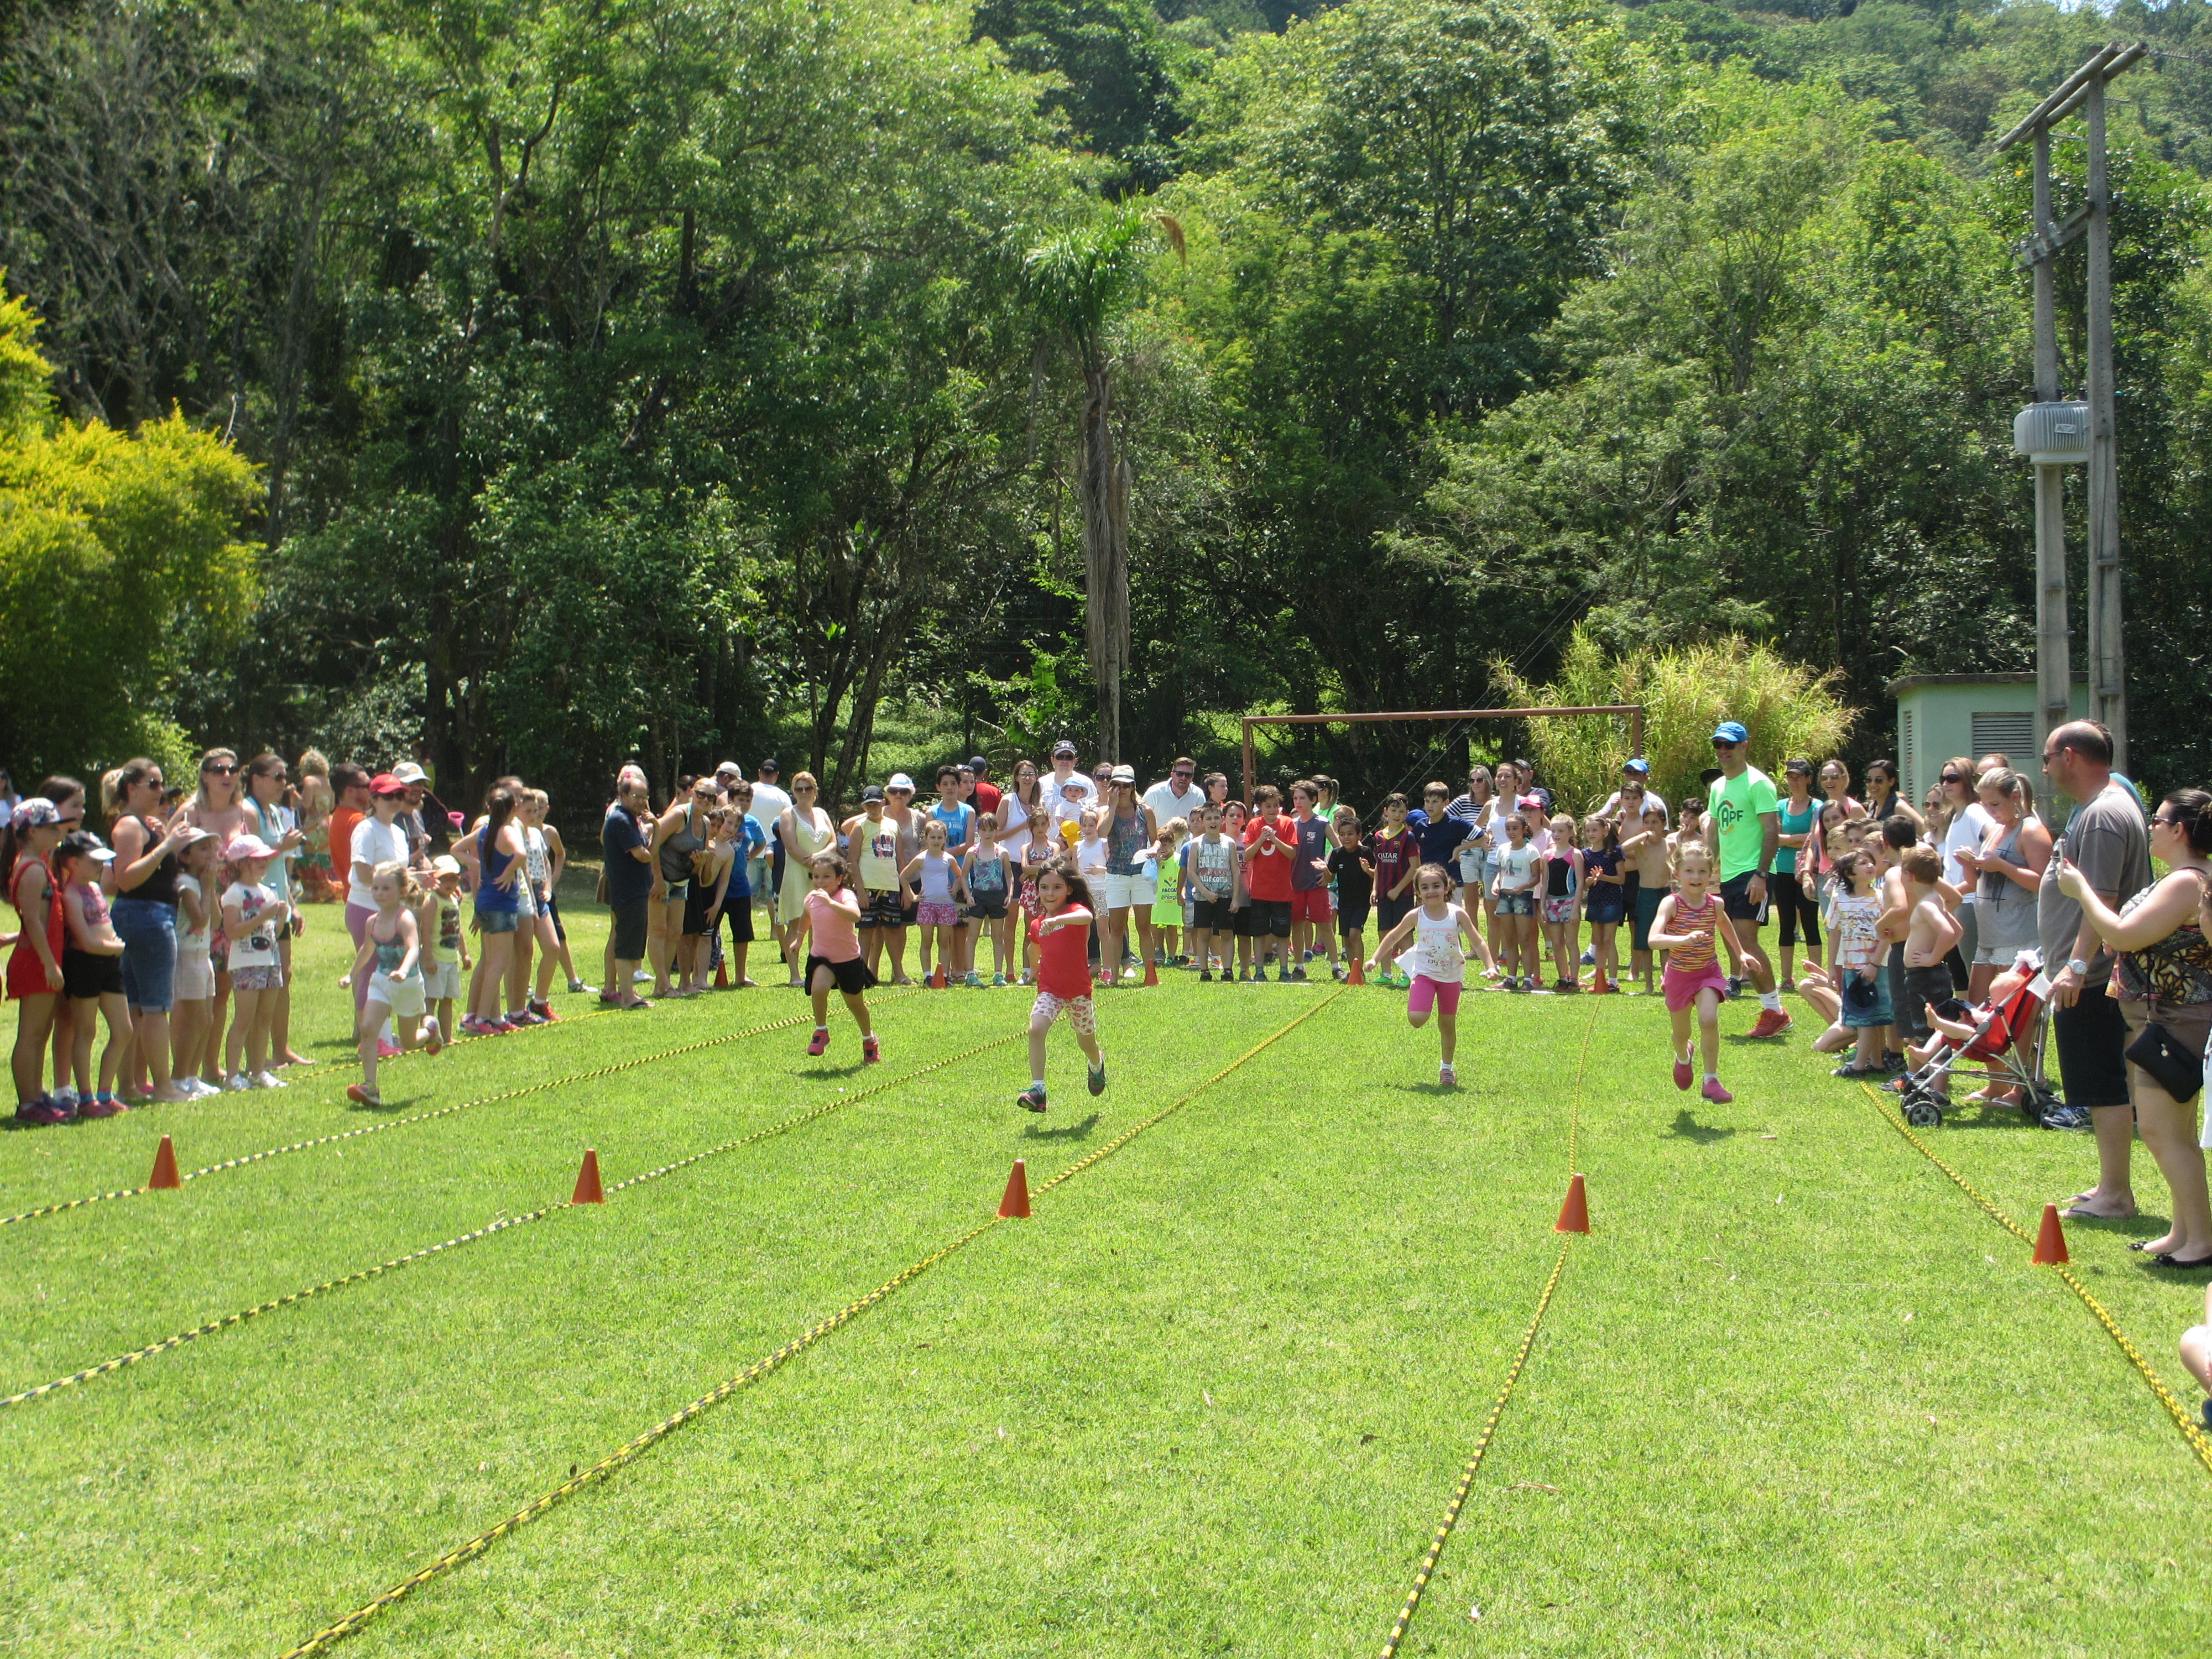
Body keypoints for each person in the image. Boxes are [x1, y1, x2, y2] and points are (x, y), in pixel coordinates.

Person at [2053, 787, 2212, 1264]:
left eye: (2157, 821)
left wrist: (2081, 889)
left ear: (2179, 831)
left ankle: (2201, 1242)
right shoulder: (2188, 878)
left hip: (2175, 1022)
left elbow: (2122, 933)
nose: (2150, 828)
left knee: (2163, 1134)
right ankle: (2183, 1233)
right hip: (2169, 1021)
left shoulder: (2187, 881)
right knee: (2177, 1134)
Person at [2037, 720, 2154, 1167]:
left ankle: (2115, 1192)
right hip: (2086, 975)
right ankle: (2112, 1187)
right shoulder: (2098, 808)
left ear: (2070, 756)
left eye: (2048, 759)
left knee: (2102, 1088)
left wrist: (2077, 966)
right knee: (2102, 1086)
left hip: (2091, 979)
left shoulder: (2104, 815)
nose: (2045, 770)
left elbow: (2102, 897)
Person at [103, 758, 194, 1102]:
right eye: (153, 784)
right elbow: (125, 879)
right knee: (155, 1006)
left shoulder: (143, 824)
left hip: (141, 917)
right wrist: (167, 845)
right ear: (131, 789)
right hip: (147, 918)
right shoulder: (129, 826)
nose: (160, 790)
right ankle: (164, 1088)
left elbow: (113, 881)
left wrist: (162, 838)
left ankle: (128, 1086)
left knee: (137, 1007)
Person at [1704, 721, 1790, 1037]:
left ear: (1744, 746)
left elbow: (1772, 832)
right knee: (1737, 942)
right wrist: (1700, 868)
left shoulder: (1758, 784)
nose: (1723, 751)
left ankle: (1774, 1011)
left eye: (1729, 745)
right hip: (1728, 875)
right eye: (1718, 745)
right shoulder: (1718, 787)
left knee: (1747, 942)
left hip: (1752, 873)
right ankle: (1774, 1010)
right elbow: (1713, 833)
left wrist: (1761, 874)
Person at [1365, 863, 1483, 1087]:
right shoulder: (1415, 915)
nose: (1432, 892)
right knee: (1417, 1019)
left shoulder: (1457, 914)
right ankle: (1417, 989)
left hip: (1451, 976)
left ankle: (1447, 1069)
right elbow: (1392, 937)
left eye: (1436, 886)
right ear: (1418, 892)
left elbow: (1477, 940)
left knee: (1447, 1024)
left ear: (1447, 888)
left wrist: (1490, 965)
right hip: (1425, 973)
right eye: (1425, 888)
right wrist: (1375, 958)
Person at [344, 860, 442, 1105]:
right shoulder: (372, 922)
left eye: (386, 888)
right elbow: (367, 951)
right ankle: (371, 1088)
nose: (379, 893)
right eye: (375, 888)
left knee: (409, 1042)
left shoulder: (405, 918)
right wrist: (351, 975)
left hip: (407, 984)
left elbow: (412, 949)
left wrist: (403, 970)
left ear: (402, 890)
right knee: (367, 1029)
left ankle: (430, 1031)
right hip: (381, 981)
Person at [1651, 841, 1742, 1104]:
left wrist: (1741, 953)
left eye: (1703, 871)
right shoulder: (1671, 904)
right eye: (1689, 871)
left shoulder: (1715, 904)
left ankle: (1711, 1080)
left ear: (1712, 873)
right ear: (1676, 873)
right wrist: (1682, 939)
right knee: (1682, 1035)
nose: (1696, 877)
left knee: (1709, 1019)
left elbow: (1725, 927)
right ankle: (1683, 1056)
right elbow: (1653, 939)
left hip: (1707, 973)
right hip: (1679, 976)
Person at [1018, 860, 1105, 1112]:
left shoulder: (1075, 912)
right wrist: (1034, 970)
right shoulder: (1037, 924)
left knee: (1086, 1043)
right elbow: (1033, 947)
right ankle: (1038, 1091)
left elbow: (1087, 915)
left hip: (1078, 992)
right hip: (1050, 989)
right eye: (1044, 888)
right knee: (1036, 1030)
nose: (1050, 893)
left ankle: (1096, 1065)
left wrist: (1057, 922)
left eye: (1057, 887)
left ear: (1068, 889)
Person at [1954, 768, 2048, 1001]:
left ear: (2015, 797)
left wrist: (2002, 866)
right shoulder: (1996, 829)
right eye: (1985, 805)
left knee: (2011, 1018)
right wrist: (1968, 863)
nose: (1990, 812)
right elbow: (1978, 883)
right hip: (1988, 937)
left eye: (1995, 804)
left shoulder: (2031, 830)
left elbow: (2044, 884)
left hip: (2017, 937)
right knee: (1975, 1012)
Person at [242, 753, 310, 1065]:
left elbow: (281, 867)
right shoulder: (249, 810)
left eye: (286, 777)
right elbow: (247, 860)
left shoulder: (274, 811)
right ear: (256, 779)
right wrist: (281, 848)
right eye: (278, 777)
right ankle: (258, 1057)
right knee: (262, 981)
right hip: (257, 909)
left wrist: (293, 905)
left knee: (284, 976)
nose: (285, 784)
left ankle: (280, 1050)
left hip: (279, 905)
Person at [55, 833, 131, 1116]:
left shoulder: (96, 888)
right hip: (85, 964)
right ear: (73, 863)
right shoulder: (71, 894)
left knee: (123, 1030)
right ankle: (87, 1098)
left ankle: (105, 1093)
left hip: (109, 963)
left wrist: (113, 947)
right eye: (94, 862)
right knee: (86, 1030)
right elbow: (84, 940)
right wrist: (114, 947)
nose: (101, 867)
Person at [4, 797, 69, 1122]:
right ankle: (28, 1104)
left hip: (42, 957)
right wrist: (49, 964)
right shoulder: (30, 869)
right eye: (51, 827)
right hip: (36, 962)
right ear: (30, 832)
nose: (59, 831)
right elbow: (32, 920)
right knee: (30, 1033)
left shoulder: (38, 863)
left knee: (40, 1031)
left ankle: (36, 1094)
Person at [790, 849, 879, 1062]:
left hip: (847, 960)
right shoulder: (812, 897)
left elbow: (855, 916)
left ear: (839, 879)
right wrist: (800, 939)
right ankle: (821, 1031)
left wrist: (830, 903)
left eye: (826, 877)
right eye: (816, 877)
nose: (820, 882)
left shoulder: (845, 895)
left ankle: (869, 1039)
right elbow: (806, 916)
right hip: (821, 957)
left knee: (855, 1005)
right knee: (818, 988)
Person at [220, 833, 290, 1089]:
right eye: (257, 859)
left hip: (270, 962)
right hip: (246, 963)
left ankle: (258, 1072)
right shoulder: (234, 894)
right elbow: (233, 931)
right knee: (244, 1019)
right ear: (240, 863)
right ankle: (231, 1076)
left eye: (265, 859)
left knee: (264, 1018)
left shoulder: (267, 892)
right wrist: (264, 916)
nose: (264, 863)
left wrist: (279, 918)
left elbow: (272, 930)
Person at [345, 774, 412, 1041]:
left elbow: (399, 874)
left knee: (384, 970)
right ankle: (370, 1037)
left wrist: (418, 877)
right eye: (388, 796)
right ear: (373, 800)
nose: (395, 801)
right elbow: (362, 872)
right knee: (371, 970)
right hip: (365, 907)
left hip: (390, 910)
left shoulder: (398, 831)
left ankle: (376, 1032)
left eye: (399, 795)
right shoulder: (366, 829)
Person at [1888, 844, 1961, 1081]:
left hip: (1925, 977)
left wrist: (1933, 957)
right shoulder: (1935, 899)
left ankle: (1936, 1090)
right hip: (1923, 975)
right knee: (1928, 1032)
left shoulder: (1928, 905)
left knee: (1931, 1032)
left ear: (1909, 876)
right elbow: (1959, 931)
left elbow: (1949, 933)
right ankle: (1923, 1080)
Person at [462, 786, 527, 1034]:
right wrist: (509, 871)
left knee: (490, 961)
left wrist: (477, 862)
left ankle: (493, 1017)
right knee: (498, 964)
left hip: (486, 902)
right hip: (502, 904)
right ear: (513, 808)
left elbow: (455, 849)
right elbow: (520, 854)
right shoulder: (506, 830)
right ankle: (481, 1020)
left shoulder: (483, 832)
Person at [1826, 847, 1893, 1078]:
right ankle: (1876, 1063)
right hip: (1851, 965)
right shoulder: (1839, 898)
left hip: (1875, 966)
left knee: (1869, 1017)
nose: (1870, 866)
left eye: (1871, 862)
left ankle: (1859, 1066)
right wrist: (1832, 969)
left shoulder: (1882, 897)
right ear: (1850, 873)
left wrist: (1874, 964)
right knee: (1864, 1016)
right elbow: (1834, 933)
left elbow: (1887, 933)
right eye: (1863, 863)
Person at [1933, 755, 1994, 990]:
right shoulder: (1956, 815)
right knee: (1961, 975)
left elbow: (1994, 833)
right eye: (1943, 779)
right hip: (1957, 902)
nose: (1946, 784)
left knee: (1976, 975)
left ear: (1968, 781)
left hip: (1969, 902)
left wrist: (1978, 863)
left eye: (1953, 778)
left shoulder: (1974, 811)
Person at [169, 829, 220, 1098]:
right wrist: (208, 886)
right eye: (203, 849)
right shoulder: (186, 883)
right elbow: (200, 921)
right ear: (185, 856)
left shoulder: (201, 881)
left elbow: (217, 921)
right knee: (197, 1019)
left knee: (207, 1019)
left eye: (212, 847)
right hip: (187, 956)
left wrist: (210, 887)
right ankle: (178, 1077)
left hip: (204, 956)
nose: (211, 854)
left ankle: (193, 1076)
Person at [601, 767, 656, 1010]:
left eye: (644, 797)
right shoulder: (620, 820)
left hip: (637, 890)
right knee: (626, 944)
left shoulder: (632, 820)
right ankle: (626, 998)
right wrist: (660, 831)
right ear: (622, 796)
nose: (641, 801)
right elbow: (643, 856)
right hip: (627, 891)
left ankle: (628, 992)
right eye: (636, 796)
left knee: (633, 943)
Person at [775, 772, 837, 989]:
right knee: (797, 922)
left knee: (819, 923)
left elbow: (833, 841)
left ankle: (817, 972)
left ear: (815, 792)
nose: (803, 793)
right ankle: (794, 974)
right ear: (793, 792)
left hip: (821, 876)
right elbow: (791, 847)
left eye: (808, 789)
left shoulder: (821, 813)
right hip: (797, 874)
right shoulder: (788, 814)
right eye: (799, 789)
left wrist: (821, 863)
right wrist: (811, 863)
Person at [1772, 759, 1823, 994]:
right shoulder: (1781, 805)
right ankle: (1786, 977)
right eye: (1791, 777)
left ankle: (1817, 976)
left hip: (1806, 871)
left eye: (1799, 777)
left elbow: (1815, 838)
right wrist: (1799, 838)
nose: (1795, 781)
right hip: (1782, 869)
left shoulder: (1818, 806)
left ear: (1808, 779)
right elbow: (1775, 837)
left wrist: (1791, 838)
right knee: (1786, 924)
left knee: (1811, 922)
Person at [902, 818, 971, 985]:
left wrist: (955, 890)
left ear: (945, 839)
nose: (936, 841)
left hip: (946, 905)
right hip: (927, 904)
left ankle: (944, 976)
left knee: (944, 941)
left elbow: (959, 875)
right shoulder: (921, 858)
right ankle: (928, 976)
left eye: (940, 838)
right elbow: (903, 876)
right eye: (933, 837)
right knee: (927, 941)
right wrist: (912, 896)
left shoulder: (948, 858)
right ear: (926, 838)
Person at [1240, 784, 1297, 981]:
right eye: (1268, 806)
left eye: (1276, 805)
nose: (1273, 810)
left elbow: (1292, 853)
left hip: (1282, 890)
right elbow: (1247, 856)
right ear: (1260, 807)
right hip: (1259, 890)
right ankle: (1259, 971)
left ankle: (1284, 970)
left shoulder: (1288, 823)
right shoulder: (1254, 825)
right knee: (1259, 932)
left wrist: (1274, 838)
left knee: (1282, 933)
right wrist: (1261, 839)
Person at [1285, 780, 1334, 979]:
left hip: (1316, 883)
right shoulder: (1291, 824)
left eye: (1303, 798)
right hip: (1295, 884)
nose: (1298, 802)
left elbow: (1338, 849)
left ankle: (1335, 966)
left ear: (1313, 800)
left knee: (1324, 924)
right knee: (1297, 924)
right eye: (1295, 798)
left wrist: (1328, 871)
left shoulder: (1322, 823)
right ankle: (1299, 966)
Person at [1619, 802, 1670, 993]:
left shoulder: (1669, 843)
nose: (1651, 826)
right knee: (1646, 943)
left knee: (1665, 943)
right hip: (1646, 894)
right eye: (1647, 822)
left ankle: (1666, 982)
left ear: (1663, 823)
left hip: (1665, 895)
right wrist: (1643, 834)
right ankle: (1649, 985)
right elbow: (1624, 847)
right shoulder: (1641, 845)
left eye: (1655, 822)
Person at [1186, 802, 1238, 983]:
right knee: (1204, 934)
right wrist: (1205, 892)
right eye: (1209, 819)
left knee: (1226, 933)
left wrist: (1236, 898)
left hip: (1225, 895)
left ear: (1222, 820)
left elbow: (1235, 872)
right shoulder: (1196, 843)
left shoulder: (1229, 843)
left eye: (1217, 818)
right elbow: (1192, 871)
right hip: (1203, 896)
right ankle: (1204, 970)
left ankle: (1228, 970)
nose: (1213, 822)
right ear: (1202, 822)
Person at [1492, 808, 1542, 991]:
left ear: (1524, 829)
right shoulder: (1502, 849)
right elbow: (1502, 871)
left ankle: (1528, 979)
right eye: (1508, 829)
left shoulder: (1531, 851)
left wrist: (1524, 886)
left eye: (1515, 828)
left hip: (1523, 897)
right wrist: (1496, 883)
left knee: (1526, 940)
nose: (1511, 832)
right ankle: (1511, 978)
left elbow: (1537, 877)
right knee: (1509, 939)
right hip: (1505, 897)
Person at [421, 855, 469, 1041]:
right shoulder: (432, 901)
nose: (449, 883)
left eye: (453, 878)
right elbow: (425, 930)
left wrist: (464, 954)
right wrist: (428, 958)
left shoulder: (454, 899)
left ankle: (447, 1037)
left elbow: (458, 929)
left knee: (448, 999)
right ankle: (427, 1036)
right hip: (437, 958)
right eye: (443, 878)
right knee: (432, 999)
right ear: (435, 878)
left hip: (451, 958)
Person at [966, 812, 1015, 986]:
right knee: (972, 936)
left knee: (997, 936)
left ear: (996, 831)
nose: (988, 834)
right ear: (978, 831)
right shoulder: (972, 852)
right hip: (979, 896)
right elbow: (964, 876)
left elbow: (1009, 875)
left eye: (991, 830)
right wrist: (968, 895)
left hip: (997, 897)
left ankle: (998, 974)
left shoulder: (1002, 852)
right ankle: (970, 974)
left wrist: (1010, 895)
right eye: (984, 830)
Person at [1580, 813, 1625, 994]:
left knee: (1609, 941)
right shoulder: (1585, 854)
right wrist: (1593, 880)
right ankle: (1600, 977)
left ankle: (1613, 981)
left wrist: (1603, 877)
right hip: (1595, 900)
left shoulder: (1615, 851)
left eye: (1595, 830)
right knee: (1598, 942)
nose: (1591, 834)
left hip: (1612, 900)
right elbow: (1584, 883)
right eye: (1588, 830)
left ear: (1605, 831)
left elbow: (1621, 879)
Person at [1861, 758, 1923, 835]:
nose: (1873, 784)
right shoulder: (1872, 807)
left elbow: (1926, 831)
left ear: (1891, 781)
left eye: (1879, 780)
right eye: (1869, 780)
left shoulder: (1899, 807)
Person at [1044, 741, 1095, 832]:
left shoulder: (1087, 783)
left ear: (1075, 761)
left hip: (1080, 843)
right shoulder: (1042, 783)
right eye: (1060, 757)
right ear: (1053, 760)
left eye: (1069, 757)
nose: (1064, 761)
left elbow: (1095, 814)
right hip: (1049, 844)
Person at [1142, 757, 1203, 831]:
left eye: (1188, 775)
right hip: (1158, 842)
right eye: (1180, 774)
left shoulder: (1198, 795)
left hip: (1187, 842)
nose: (1184, 778)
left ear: (1192, 777)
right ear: (1172, 774)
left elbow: (1204, 823)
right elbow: (1141, 820)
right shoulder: (1154, 793)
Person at [966, 756, 1004, 825]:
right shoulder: (994, 791)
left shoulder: (964, 789)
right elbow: (999, 816)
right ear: (985, 772)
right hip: (988, 831)